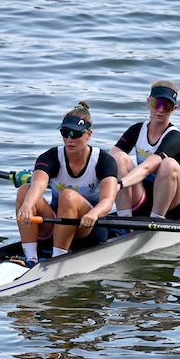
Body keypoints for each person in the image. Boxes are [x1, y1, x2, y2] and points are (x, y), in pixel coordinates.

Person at [13, 101, 119, 266]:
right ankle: (30, 259)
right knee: (25, 191)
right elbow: (38, 185)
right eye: (65, 132)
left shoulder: (104, 161)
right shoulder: (50, 157)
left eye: (76, 134)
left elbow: (108, 200)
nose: (69, 139)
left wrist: (94, 214)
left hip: (89, 227)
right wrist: (27, 204)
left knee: (68, 195)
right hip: (58, 222)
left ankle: (57, 259)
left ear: (88, 134)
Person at [109, 80, 180, 220]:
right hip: (144, 198)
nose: (160, 109)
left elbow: (147, 168)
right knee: (118, 159)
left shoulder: (174, 138)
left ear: (174, 109)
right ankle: (125, 222)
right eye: (157, 104)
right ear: (149, 102)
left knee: (168, 164)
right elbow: (107, 160)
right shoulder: (136, 130)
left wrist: (119, 184)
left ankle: (156, 220)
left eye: (167, 106)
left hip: (173, 204)